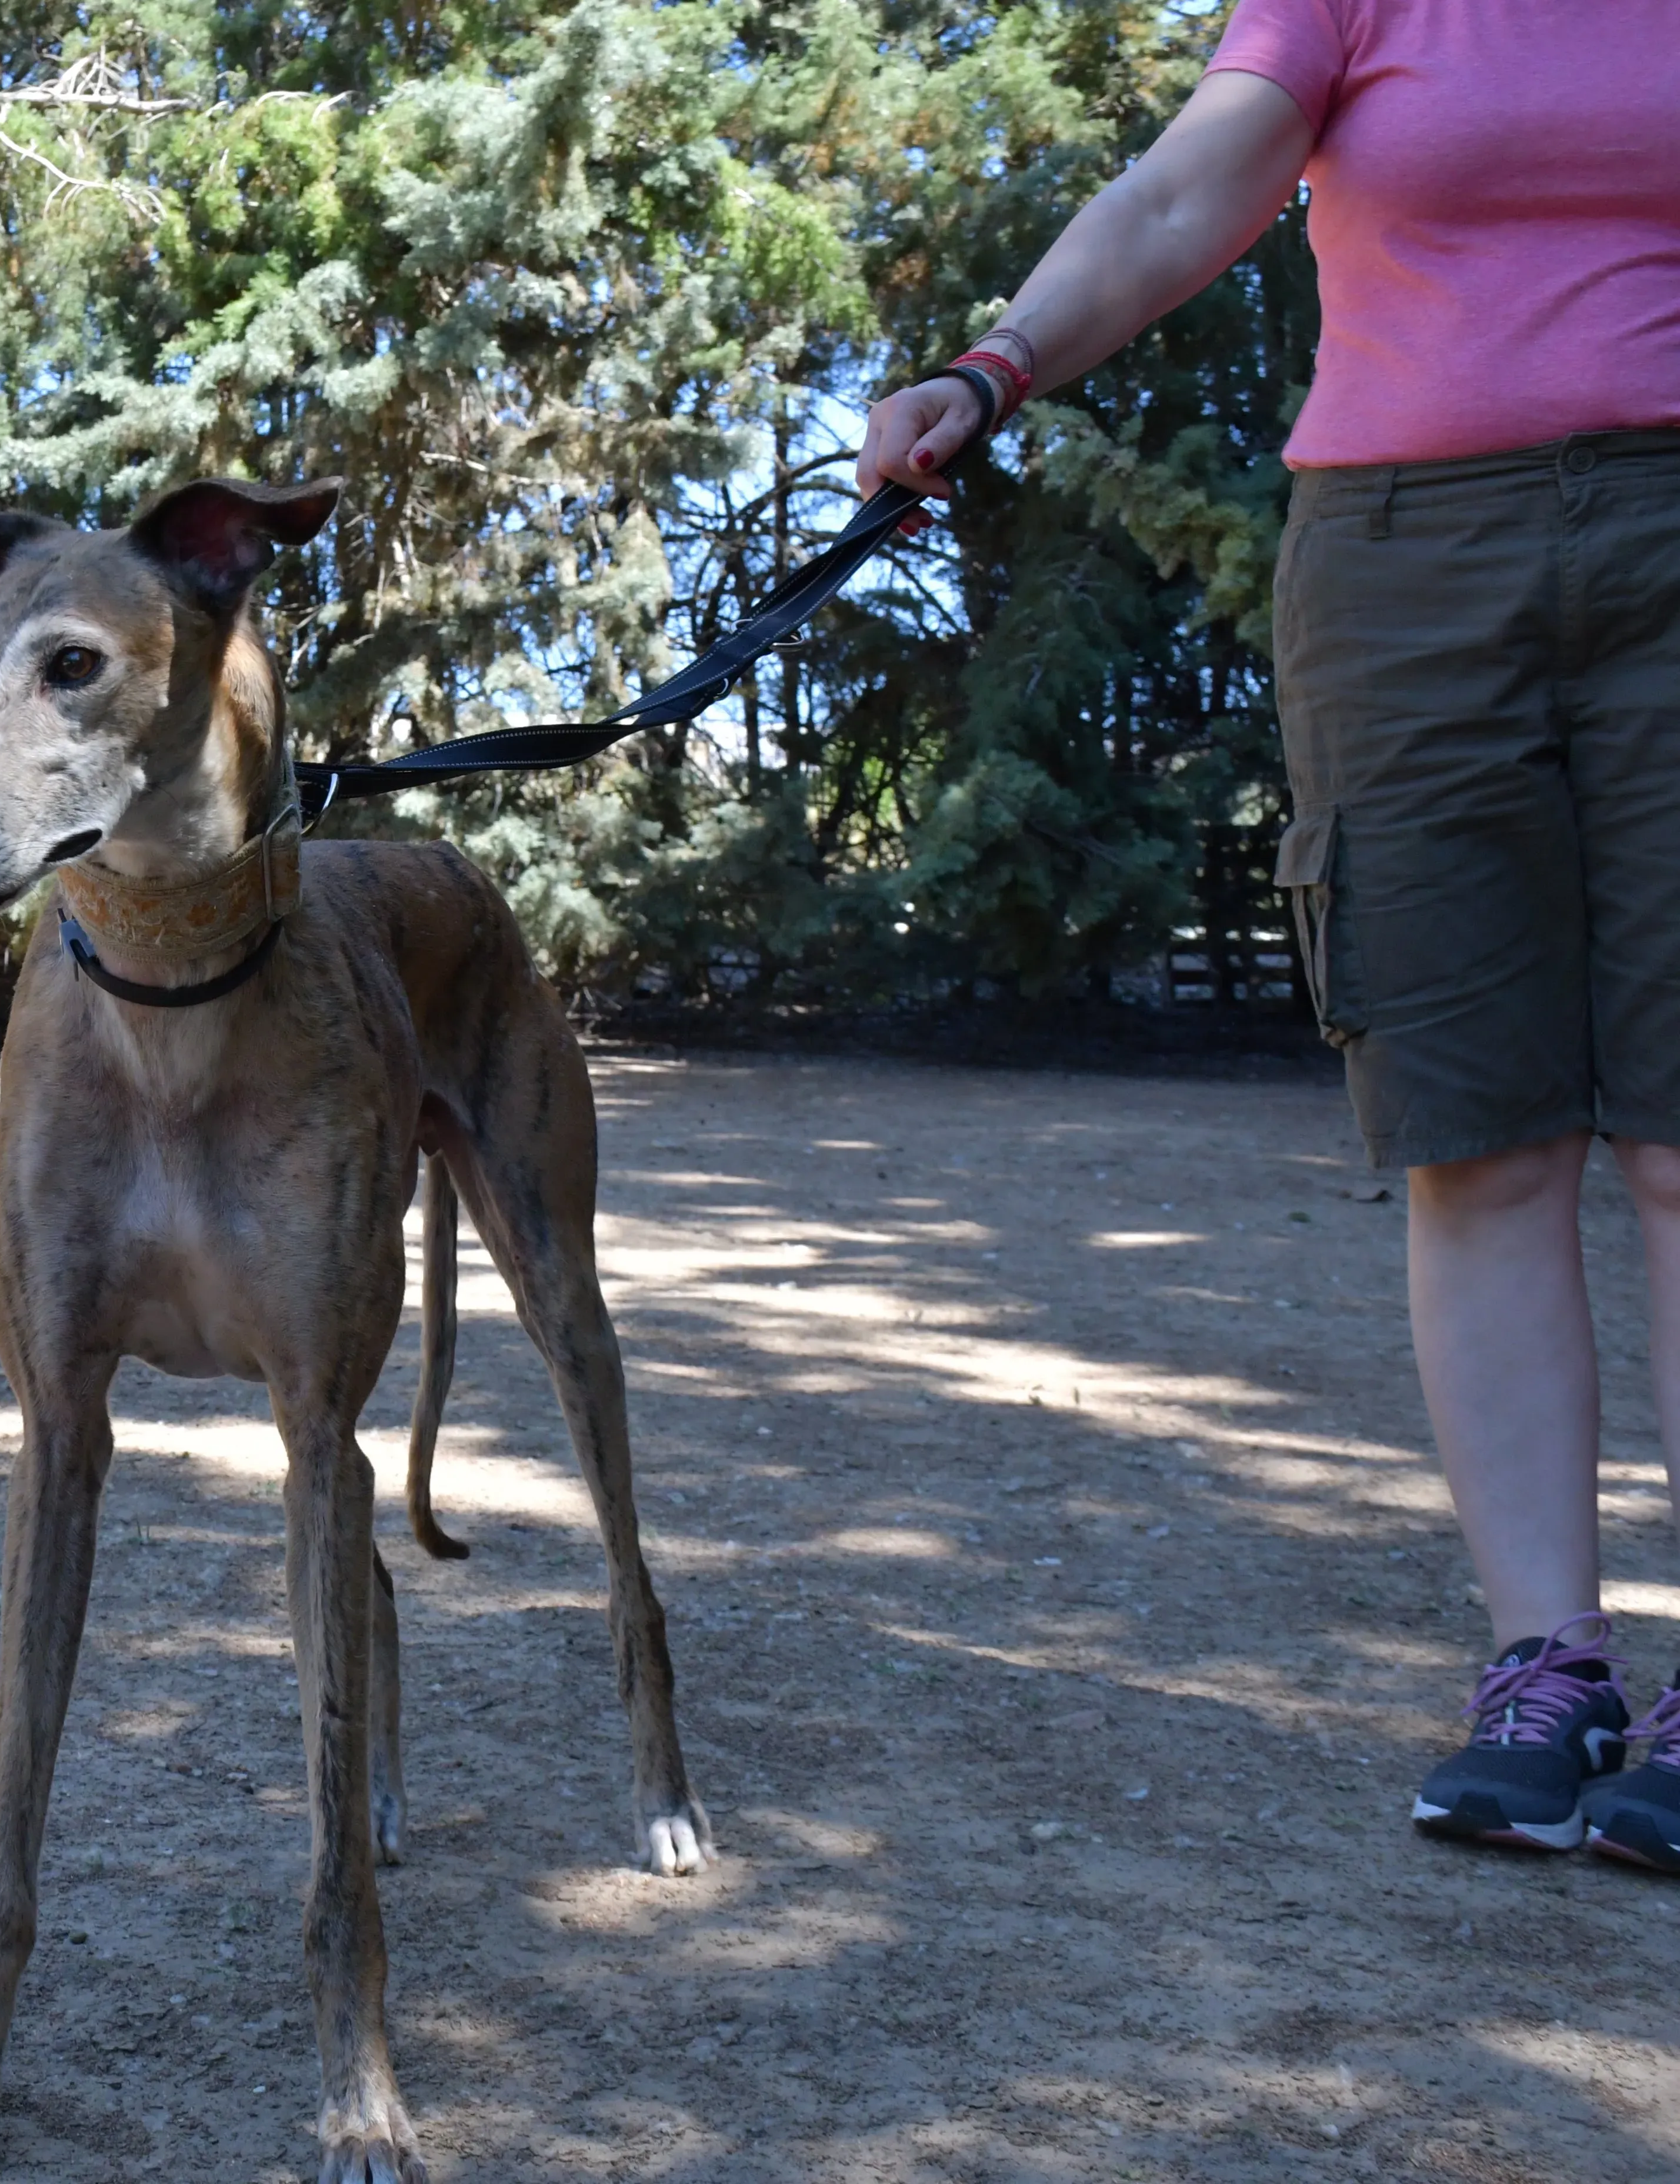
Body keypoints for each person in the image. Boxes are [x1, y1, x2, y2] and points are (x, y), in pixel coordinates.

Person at [856, 0, 1680, 1869]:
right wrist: (991, 370)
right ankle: (1542, 1666)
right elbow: (1176, 204)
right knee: (1477, 1133)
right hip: (1401, 566)